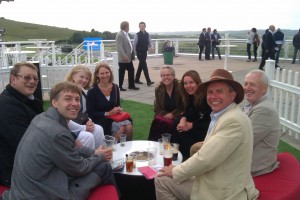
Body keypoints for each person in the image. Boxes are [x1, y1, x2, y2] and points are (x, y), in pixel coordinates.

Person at [1, 81, 117, 199]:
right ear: (54, 102)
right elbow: (79, 168)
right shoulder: (57, 132)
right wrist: (100, 157)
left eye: (77, 99)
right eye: (68, 99)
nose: (75, 104)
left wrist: (93, 152)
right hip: (43, 194)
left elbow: (68, 149)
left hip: (27, 188)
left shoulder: (42, 118)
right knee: (104, 167)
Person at [155, 69, 259, 200]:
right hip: (215, 177)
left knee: (161, 179)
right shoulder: (224, 114)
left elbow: (205, 159)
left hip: (224, 192)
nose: (213, 96)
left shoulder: (233, 121)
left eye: (219, 91)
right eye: (210, 92)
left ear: (232, 95)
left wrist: (175, 171)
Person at [0, 62, 44, 187]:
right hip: (16, 171)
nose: (32, 81)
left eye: (35, 78)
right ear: (13, 79)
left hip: (29, 162)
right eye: (26, 77)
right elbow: (25, 143)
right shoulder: (6, 105)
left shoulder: (29, 101)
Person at [243, 70, 280, 176]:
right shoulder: (255, 104)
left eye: (252, 85)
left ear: (264, 89)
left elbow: (244, 141)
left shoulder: (264, 109)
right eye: (246, 84)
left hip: (255, 167)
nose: (247, 88)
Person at [87, 62, 133, 141]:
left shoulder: (115, 87)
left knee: (129, 127)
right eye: (102, 73)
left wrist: (119, 109)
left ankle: (125, 149)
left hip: (114, 117)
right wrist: (107, 113)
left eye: (107, 72)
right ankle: (110, 149)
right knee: (121, 128)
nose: (105, 75)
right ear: (97, 75)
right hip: (101, 119)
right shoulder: (92, 91)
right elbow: (90, 113)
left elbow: (118, 104)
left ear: (110, 73)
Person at [171, 70, 211, 161]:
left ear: (197, 82)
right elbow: (188, 111)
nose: (188, 86)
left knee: (179, 129)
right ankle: (178, 154)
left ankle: (190, 157)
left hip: (204, 131)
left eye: (191, 82)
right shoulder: (190, 96)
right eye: (185, 83)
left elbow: (211, 123)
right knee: (177, 123)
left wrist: (191, 125)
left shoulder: (206, 98)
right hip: (194, 126)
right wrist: (183, 119)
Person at [64, 64, 105, 149]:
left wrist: (88, 121)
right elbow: (65, 117)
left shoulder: (82, 93)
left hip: (79, 124)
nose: (84, 80)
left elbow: (82, 113)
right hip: (65, 127)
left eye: (87, 78)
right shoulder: (65, 92)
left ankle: (99, 154)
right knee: (87, 136)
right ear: (73, 76)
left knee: (98, 129)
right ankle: (86, 160)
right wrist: (83, 127)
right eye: (82, 77)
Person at [148, 66, 184, 141]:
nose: (166, 77)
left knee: (173, 125)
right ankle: (155, 144)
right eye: (163, 75)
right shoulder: (158, 89)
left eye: (168, 75)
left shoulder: (180, 88)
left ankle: (172, 145)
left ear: (173, 76)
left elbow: (183, 106)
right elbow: (157, 107)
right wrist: (166, 115)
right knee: (157, 123)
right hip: (163, 115)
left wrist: (172, 114)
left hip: (178, 116)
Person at [115, 21, 139, 91]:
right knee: (121, 72)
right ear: (126, 27)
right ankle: (119, 86)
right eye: (128, 26)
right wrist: (124, 56)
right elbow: (119, 47)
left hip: (128, 57)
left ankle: (131, 85)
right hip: (123, 58)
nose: (129, 27)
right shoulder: (120, 35)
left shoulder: (125, 34)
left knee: (131, 70)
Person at [133, 22, 154, 86]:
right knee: (144, 66)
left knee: (141, 66)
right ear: (139, 27)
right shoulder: (137, 34)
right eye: (140, 26)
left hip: (145, 52)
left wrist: (151, 46)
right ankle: (148, 81)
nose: (142, 27)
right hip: (139, 53)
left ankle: (136, 79)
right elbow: (134, 44)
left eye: (143, 26)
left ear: (145, 27)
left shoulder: (147, 34)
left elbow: (150, 42)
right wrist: (134, 52)